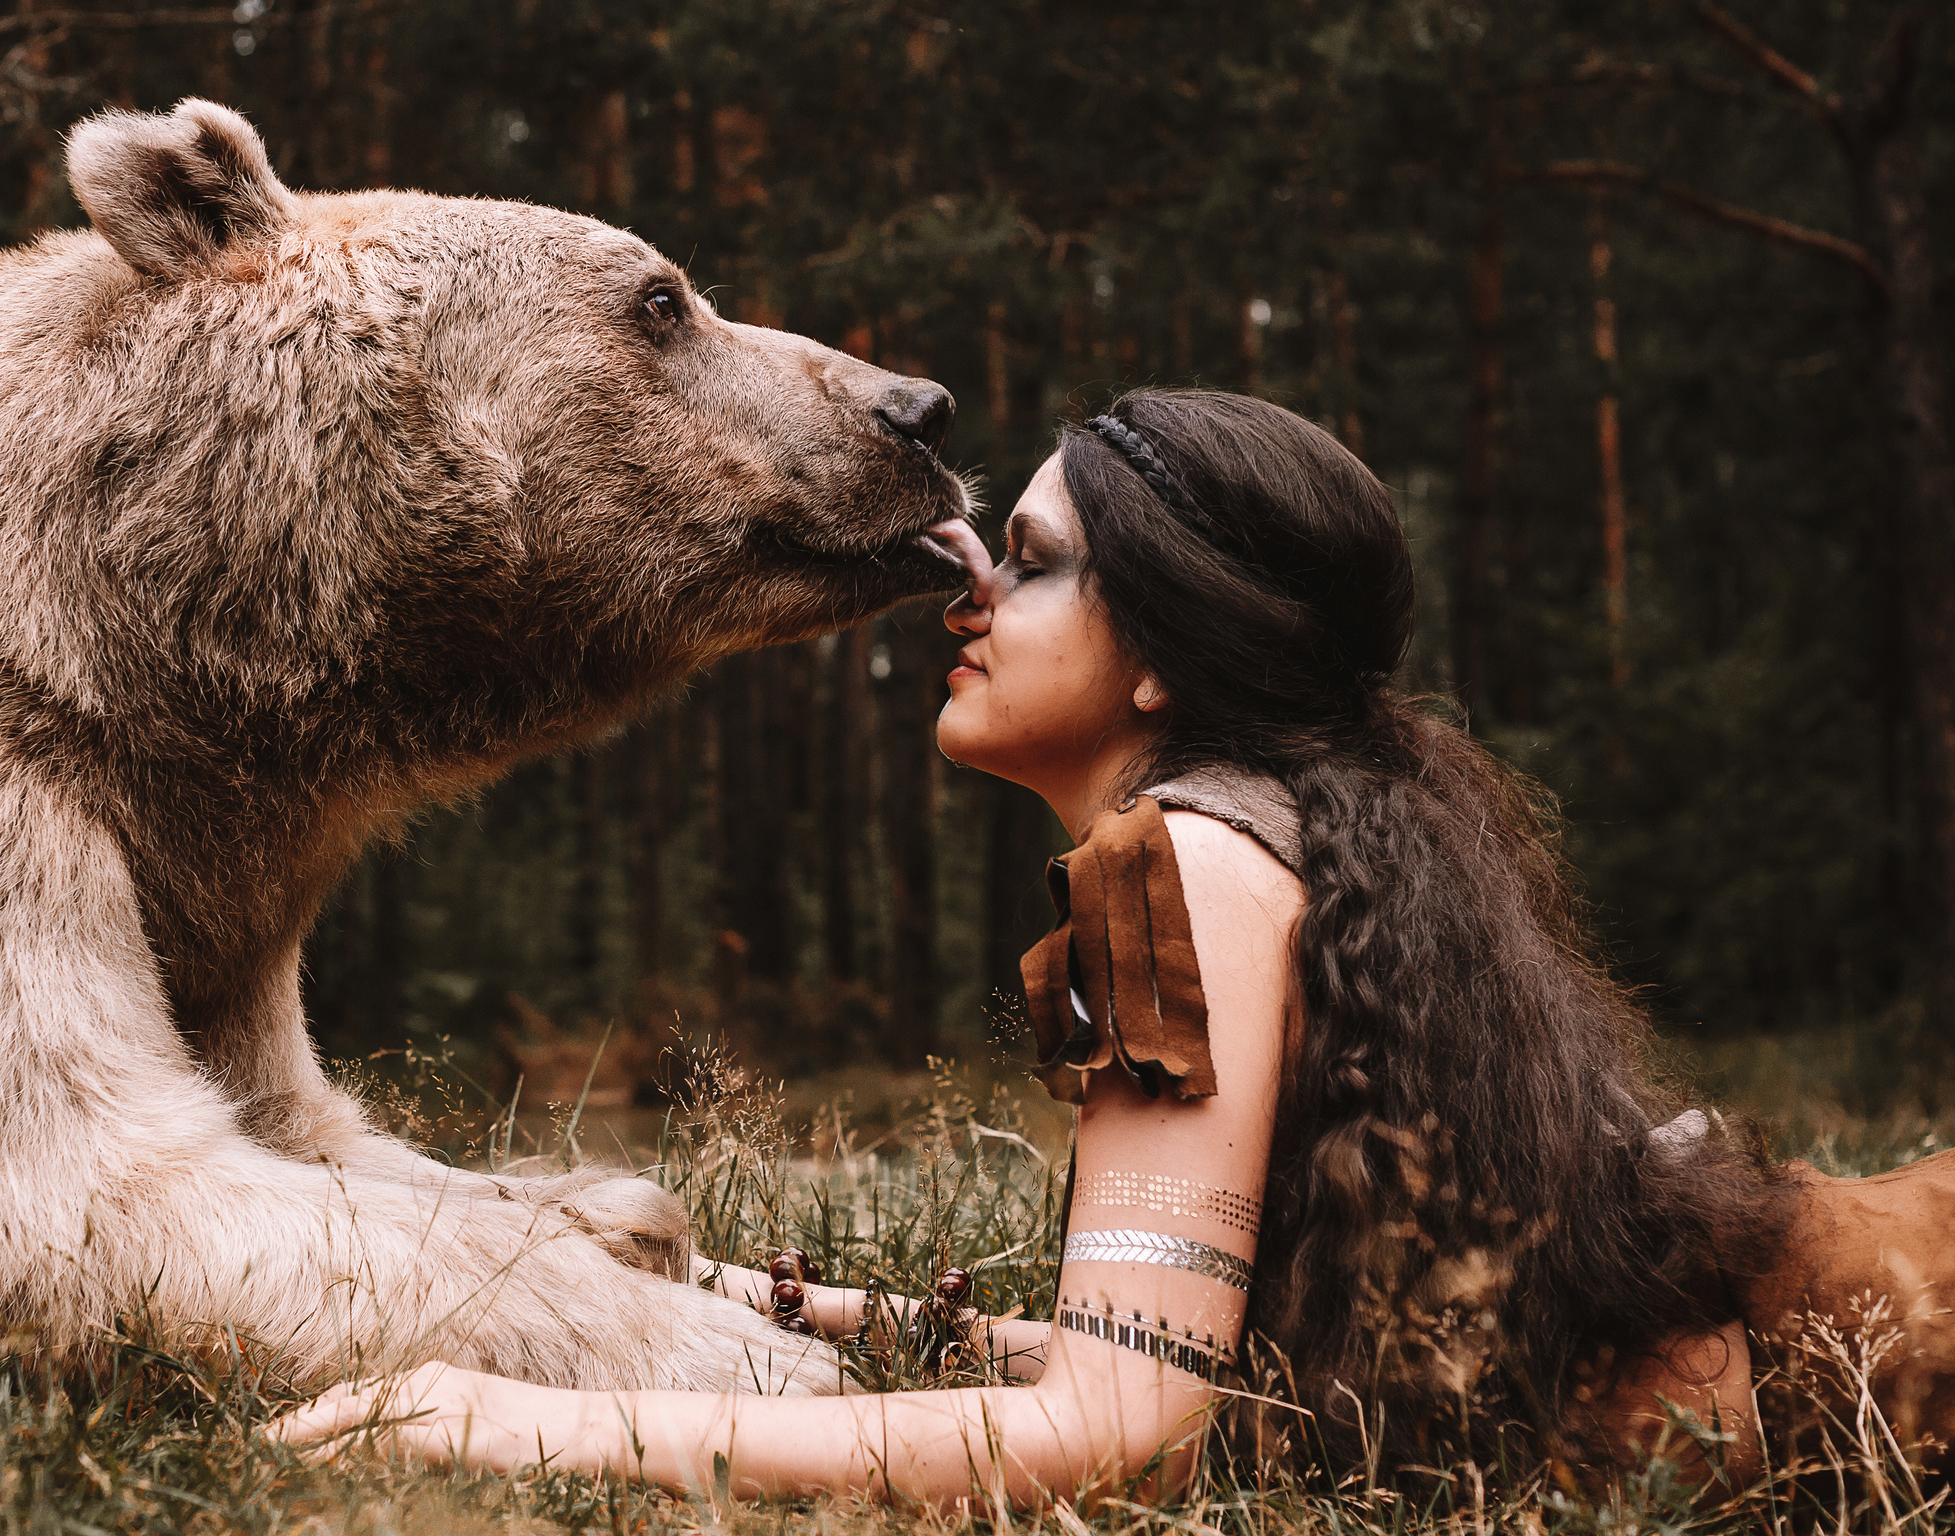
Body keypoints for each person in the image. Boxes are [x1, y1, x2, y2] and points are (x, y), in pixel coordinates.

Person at [268, 390, 1815, 1505]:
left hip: (1825, 1382)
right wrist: (776, 1308)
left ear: (1164, 650)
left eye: (1033, 556)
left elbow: (1118, 1430)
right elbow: (1202, 1365)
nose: (968, 588)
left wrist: (527, 1420)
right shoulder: (1282, 844)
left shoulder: (1179, 870)